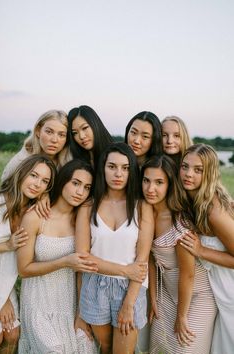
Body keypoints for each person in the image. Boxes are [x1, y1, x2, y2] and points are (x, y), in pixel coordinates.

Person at [75, 142, 154, 354]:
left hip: (131, 287)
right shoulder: (88, 206)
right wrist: (123, 270)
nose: (118, 173)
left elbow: (142, 260)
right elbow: (83, 257)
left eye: (125, 168)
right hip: (94, 286)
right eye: (112, 167)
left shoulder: (141, 206)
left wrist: (129, 302)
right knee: (106, 348)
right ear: (103, 168)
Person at [17, 159, 99, 354]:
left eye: (87, 187)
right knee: (55, 350)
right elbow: (23, 269)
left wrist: (81, 314)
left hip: (70, 301)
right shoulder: (35, 217)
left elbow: (82, 272)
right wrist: (64, 262)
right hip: (38, 302)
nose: (80, 192)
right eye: (75, 183)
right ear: (63, 181)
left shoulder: (83, 219)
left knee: (84, 348)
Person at [141, 155, 217, 354]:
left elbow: (188, 274)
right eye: (146, 180)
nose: (151, 189)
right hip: (166, 292)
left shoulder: (180, 222)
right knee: (158, 346)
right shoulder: (146, 212)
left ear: (170, 185)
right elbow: (149, 256)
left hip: (196, 296)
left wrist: (182, 316)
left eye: (159, 182)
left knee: (184, 348)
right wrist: (154, 297)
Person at [179, 143, 234, 354]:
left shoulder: (213, 209)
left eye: (198, 170)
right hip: (219, 293)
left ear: (209, 173)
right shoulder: (195, 202)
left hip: (230, 292)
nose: (188, 174)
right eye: (185, 167)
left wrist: (201, 251)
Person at [0, 155, 56, 354]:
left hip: (5, 279)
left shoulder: (32, 210)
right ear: (22, 173)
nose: (38, 184)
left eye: (45, 181)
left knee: (13, 334)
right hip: (0, 284)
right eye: (34, 175)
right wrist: (7, 245)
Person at [1, 110, 70, 182]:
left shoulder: (67, 163)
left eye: (61, 135)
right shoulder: (21, 161)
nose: (54, 140)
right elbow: (5, 190)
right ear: (38, 131)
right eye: (49, 132)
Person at [67, 105, 113, 170]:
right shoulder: (73, 160)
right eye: (75, 133)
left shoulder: (115, 155)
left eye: (84, 128)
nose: (81, 136)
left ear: (95, 124)